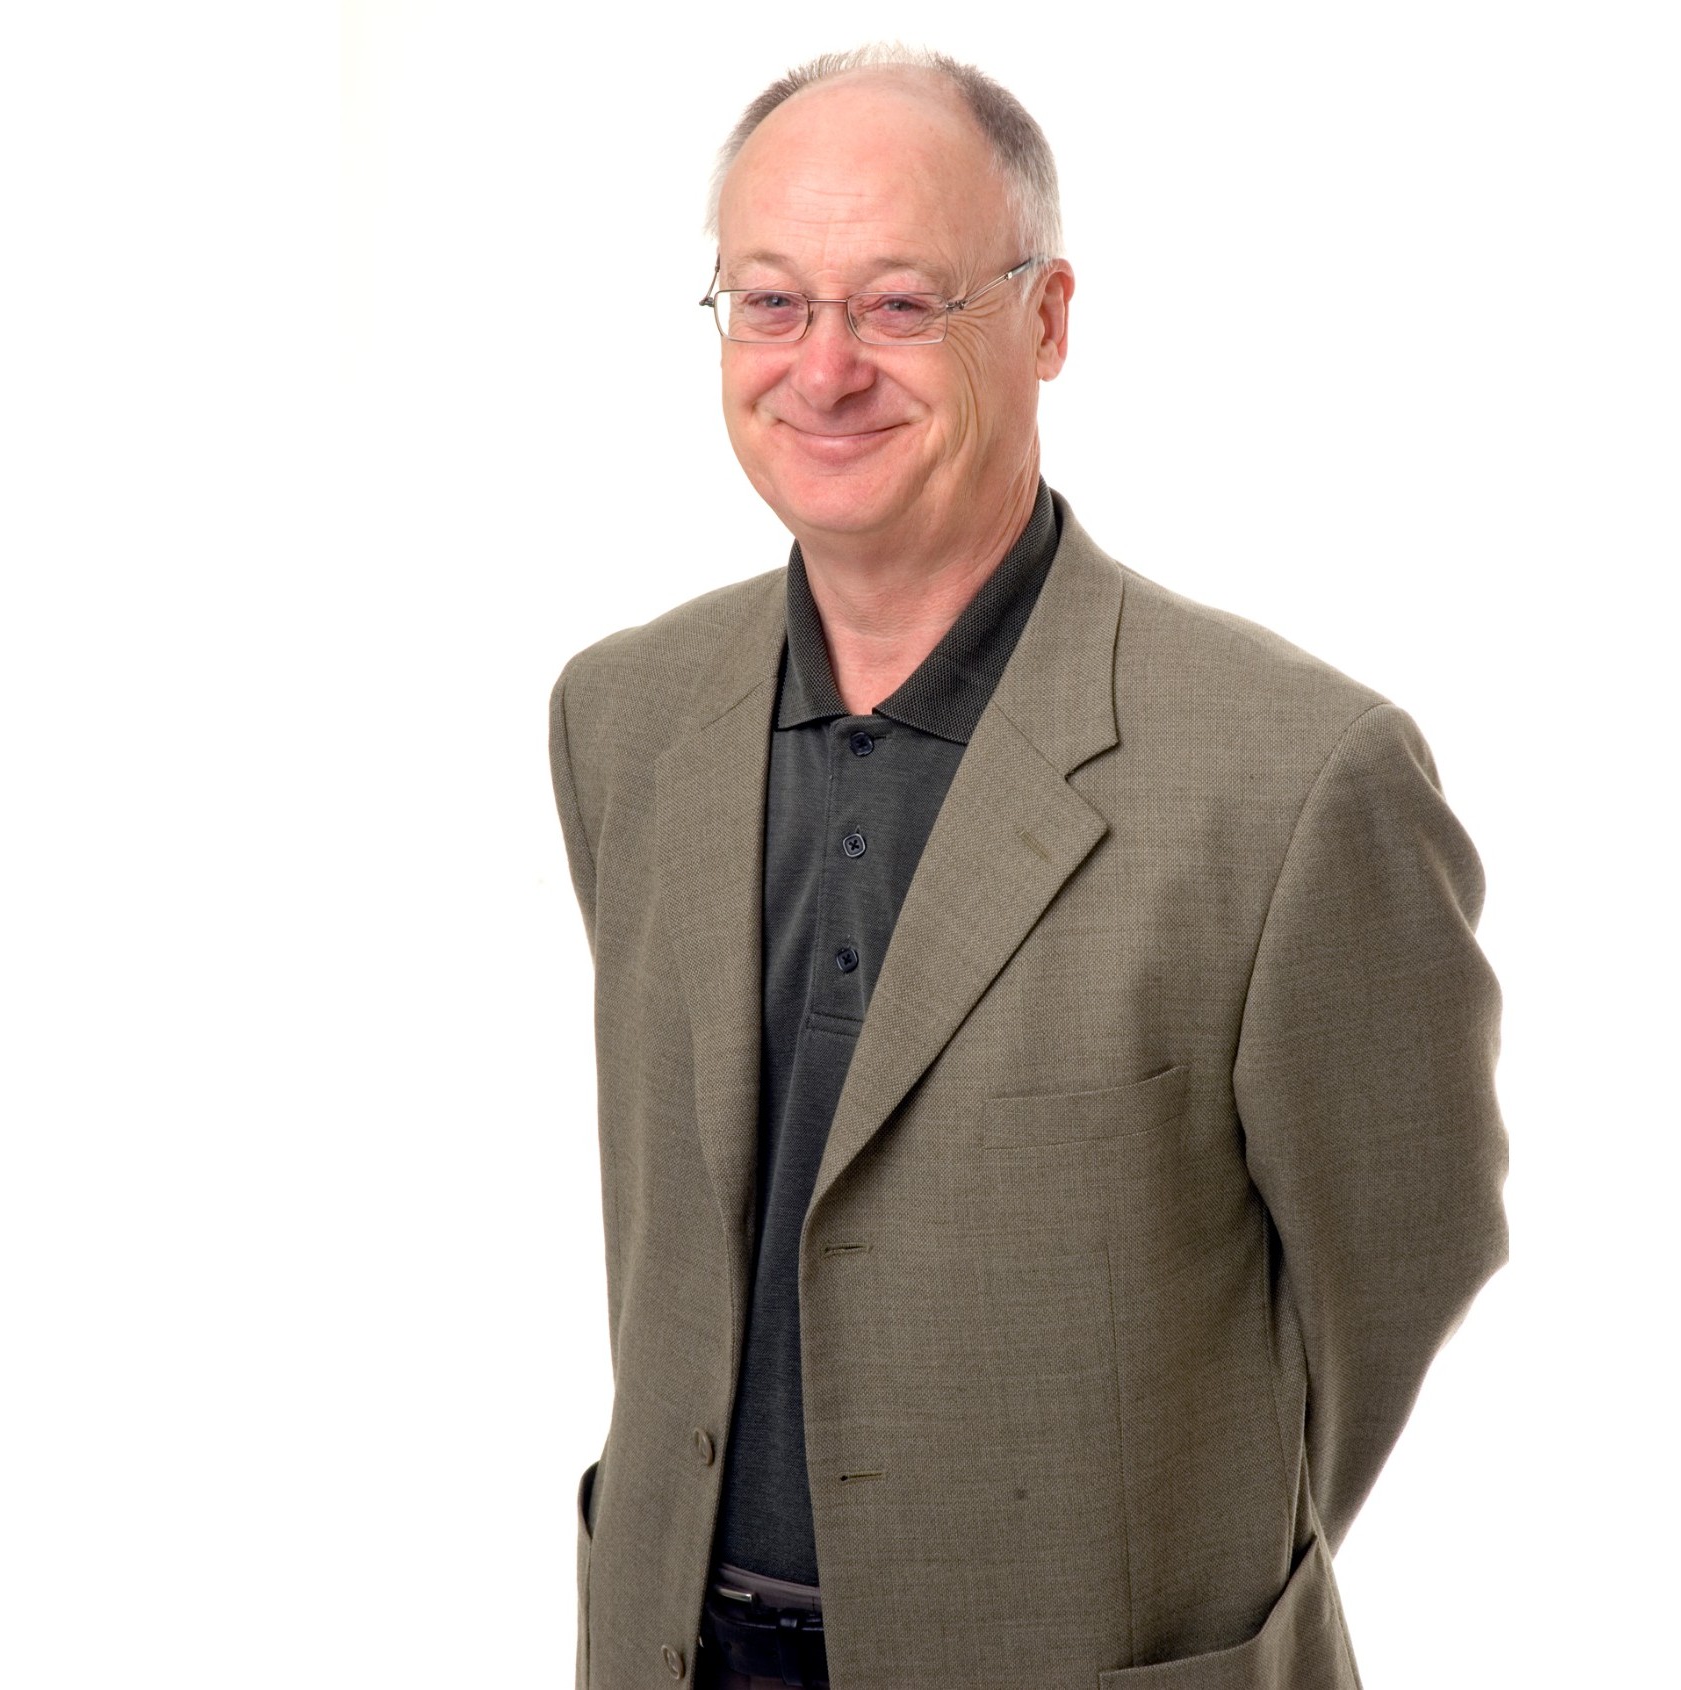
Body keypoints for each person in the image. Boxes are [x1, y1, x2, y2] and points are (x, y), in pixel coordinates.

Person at [546, 44, 1509, 1690]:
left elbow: (1404, 1262)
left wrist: (1163, 1552)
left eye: (901, 304)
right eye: (770, 301)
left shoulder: (1292, 775)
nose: (824, 367)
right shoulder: (624, 718)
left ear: (1049, 318)